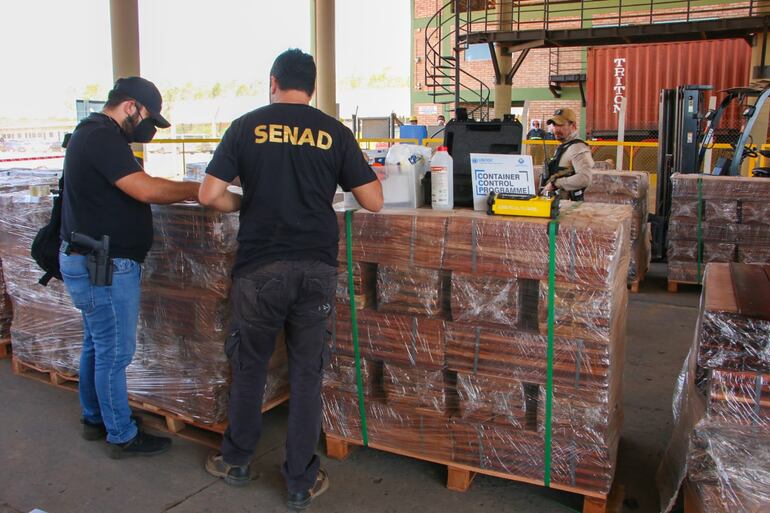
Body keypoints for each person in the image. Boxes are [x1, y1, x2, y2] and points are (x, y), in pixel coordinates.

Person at [198, 49, 383, 511]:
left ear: (273, 81)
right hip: (317, 267)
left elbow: (208, 195)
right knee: (306, 374)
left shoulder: (246, 125)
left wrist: (244, 204)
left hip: (259, 267)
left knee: (249, 366)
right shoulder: (334, 132)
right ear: (314, 88)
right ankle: (299, 481)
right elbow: (374, 200)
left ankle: (236, 460)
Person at [59, 77, 200, 458]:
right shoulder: (101, 137)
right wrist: (194, 189)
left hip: (92, 262)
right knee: (114, 353)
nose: (147, 129)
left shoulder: (92, 135)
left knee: (96, 344)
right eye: (148, 119)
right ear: (130, 107)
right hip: (103, 266)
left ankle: (94, 418)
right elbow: (146, 189)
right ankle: (121, 435)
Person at [540, 107, 593, 201]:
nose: (556, 129)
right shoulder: (564, 146)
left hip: (570, 207)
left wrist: (555, 184)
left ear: (573, 126)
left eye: (560, 125)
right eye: (554, 125)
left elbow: (585, 178)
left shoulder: (578, 147)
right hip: (559, 204)